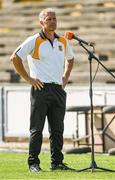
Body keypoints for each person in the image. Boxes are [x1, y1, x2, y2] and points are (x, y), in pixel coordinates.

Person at [10, 8, 74, 173]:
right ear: (41, 22)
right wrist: (29, 79)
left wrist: (65, 78)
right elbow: (15, 57)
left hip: (58, 89)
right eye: (49, 19)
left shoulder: (63, 41)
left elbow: (71, 59)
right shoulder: (34, 40)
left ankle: (57, 163)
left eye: (54, 18)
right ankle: (33, 163)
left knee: (57, 129)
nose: (53, 21)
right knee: (37, 129)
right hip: (41, 89)